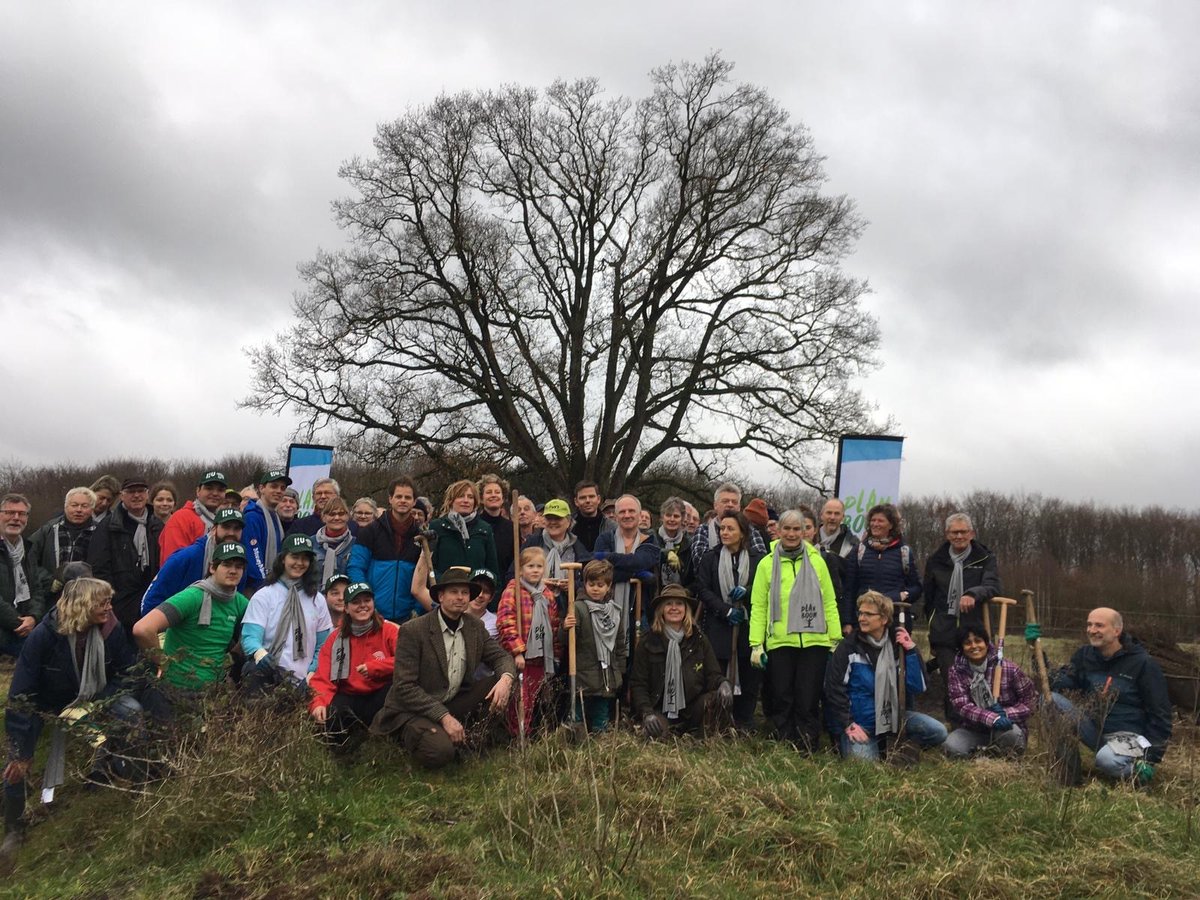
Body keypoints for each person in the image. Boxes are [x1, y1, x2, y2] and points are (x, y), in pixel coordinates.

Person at [3, 578, 141, 858]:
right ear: (82, 606)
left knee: (131, 711)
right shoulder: (44, 636)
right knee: (16, 763)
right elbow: (21, 692)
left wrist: (99, 702)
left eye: (109, 601)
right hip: (46, 701)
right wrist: (20, 749)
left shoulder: (112, 630)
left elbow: (129, 673)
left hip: (94, 696)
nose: (109, 608)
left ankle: (117, 776)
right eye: (102, 602)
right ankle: (13, 826)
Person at [370, 569, 517, 770]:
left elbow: (501, 657)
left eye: (465, 593)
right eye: (454, 592)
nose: (460, 597)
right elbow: (405, 687)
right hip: (415, 709)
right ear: (440, 596)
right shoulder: (413, 630)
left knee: (503, 681)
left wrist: (506, 679)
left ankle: (473, 738)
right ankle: (407, 736)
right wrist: (444, 718)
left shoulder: (474, 626)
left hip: (453, 699)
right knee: (441, 753)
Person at [747, 509, 840, 750]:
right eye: (786, 529)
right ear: (778, 531)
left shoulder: (818, 561)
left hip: (814, 641)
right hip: (780, 641)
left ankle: (807, 743)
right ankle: (784, 742)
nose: (791, 533)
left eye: (796, 529)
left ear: (804, 531)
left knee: (808, 696)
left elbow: (829, 601)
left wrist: (835, 637)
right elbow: (759, 606)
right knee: (782, 695)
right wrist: (756, 644)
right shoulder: (766, 564)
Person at [1050, 607, 1172, 784]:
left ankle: (1137, 771)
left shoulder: (1143, 664)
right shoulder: (1085, 655)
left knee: (1106, 761)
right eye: (1089, 625)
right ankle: (1069, 774)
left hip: (1129, 735)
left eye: (1099, 625)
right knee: (1051, 700)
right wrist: (1036, 653)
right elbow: (1061, 683)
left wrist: (1151, 757)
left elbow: (1160, 714)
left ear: (1117, 630)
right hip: (1095, 729)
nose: (1092, 630)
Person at [825, 590, 946, 762]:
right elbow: (833, 689)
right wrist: (848, 724)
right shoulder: (849, 648)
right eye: (860, 613)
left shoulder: (898, 647)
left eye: (868, 614)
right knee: (866, 769)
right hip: (861, 725)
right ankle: (874, 748)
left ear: (883, 619)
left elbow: (918, 686)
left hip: (895, 719)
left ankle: (897, 746)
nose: (861, 618)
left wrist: (911, 650)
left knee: (938, 731)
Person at [132, 541, 252, 698]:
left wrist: (233, 657)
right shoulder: (192, 597)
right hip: (175, 691)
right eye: (226, 565)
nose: (233, 571)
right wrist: (162, 663)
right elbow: (143, 629)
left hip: (213, 692)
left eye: (239, 566)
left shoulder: (239, 602)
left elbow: (257, 629)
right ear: (212, 568)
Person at [923, 513, 1002, 717]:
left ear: (971, 533)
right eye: (954, 532)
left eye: (963, 532)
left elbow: (993, 586)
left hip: (973, 628)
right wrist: (933, 627)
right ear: (947, 535)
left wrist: (973, 594)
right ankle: (955, 727)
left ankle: (982, 722)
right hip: (944, 629)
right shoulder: (935, 561)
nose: (959, 536)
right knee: (951, 679)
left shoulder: (985, 558)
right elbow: (929, 597)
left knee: (977, 677)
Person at [630, 583, 731, 739]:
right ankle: (667, 731)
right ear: (661, 610)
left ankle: (703, 737)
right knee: (656, 736)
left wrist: (723, 683)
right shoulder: (648, 641)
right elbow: (639, 684)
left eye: (679, 604)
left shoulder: (698, 639)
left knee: (720, 698)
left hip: (692, 708)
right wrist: (647, 713)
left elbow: (713, 674)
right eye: (668, 604)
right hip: (659, 710)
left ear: (686, 609)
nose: (674, 608)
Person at [308, 582, 398, 753]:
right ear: (347, 609)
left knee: (398, 690)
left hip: (381, 694)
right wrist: (318, 703)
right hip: (350, 695)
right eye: (356, 602)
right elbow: (322, 677)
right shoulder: (335, 638)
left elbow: (406, 661)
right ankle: (345, 756)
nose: (363, 605)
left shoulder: (389, 630)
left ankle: (386, 747)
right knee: (331, 714)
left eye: (367, 600)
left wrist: (376, 668)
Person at [695, 511, 765, 732]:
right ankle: (718, 720)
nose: (724, 532)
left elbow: (766, 587)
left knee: (748, 674)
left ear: (742, 533)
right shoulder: (711, 557)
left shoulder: (758, 559)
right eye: (722, 528)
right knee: (718, 673)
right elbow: (703, 589)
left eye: (730, 528)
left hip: (748, 626)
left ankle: (744, 721)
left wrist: (747, 592)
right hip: (719, 626)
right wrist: (724, 610)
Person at [240, 534, 331, 694]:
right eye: (294, 557)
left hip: (305, 679)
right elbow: (250, 637)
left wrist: (312, 672)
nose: (299, 563)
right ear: (283, 559)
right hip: (270, 673)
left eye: (305, 559)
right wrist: (259, 653)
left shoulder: (318, 600)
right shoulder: (264, 595)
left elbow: (323, 645)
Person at [943, 625, 1038, 759]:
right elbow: (962, 706)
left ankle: (1002, 757)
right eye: (967, 643)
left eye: (978, 641)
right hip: (974, 729)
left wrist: (1006, 713)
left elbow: (1031, 702)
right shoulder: (956, 672)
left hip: (1006, 728)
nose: (974, 646)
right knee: (952, 747)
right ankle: (984, 753)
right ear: (961, 648)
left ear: (986, 643)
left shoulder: (1009, 668)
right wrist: (992, 718)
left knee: (1011, 737)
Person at [497, 547, 562, 736]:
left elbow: (554, 625)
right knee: (520, 698)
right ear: (520, 569)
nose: (535, 570)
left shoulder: (547, 594)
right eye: (530, 566)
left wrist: (555, 654)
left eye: (539, 566)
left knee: (533, 697)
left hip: (540, 656)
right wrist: (517, 650)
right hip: (521, 656)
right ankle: (516, 733)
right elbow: (505, 621)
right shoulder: (513, 591)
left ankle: (528, 729)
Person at [87, 478, 163, 632]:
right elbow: (99, 566)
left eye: (141, 491)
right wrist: (111, 599)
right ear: (122, 496)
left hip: (151, 599)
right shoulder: (109, 526)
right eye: (131, 492)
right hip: (119, 603)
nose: (136, 496)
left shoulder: (157, 525)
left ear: (147, 495)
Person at [140, 508, 246, 617]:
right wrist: (161, 631)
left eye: (237, 529)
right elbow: (150, 600)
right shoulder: (186, 557)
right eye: (226, 527)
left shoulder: (239, 565)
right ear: (214, 529)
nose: (231, 533)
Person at [592, 495, 661, 656]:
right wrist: (638, 574)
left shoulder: (649, 540)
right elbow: (601, 573)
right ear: (615, 516)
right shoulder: (605, 539)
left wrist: (609, 557)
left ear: (639, 514)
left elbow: (639, 561)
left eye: (631, 511)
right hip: (606, 608)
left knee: (638, 658)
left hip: (640, 610)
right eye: (622, 512)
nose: (627, 515)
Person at [348, 477, 423, 624]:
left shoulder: (421, 537)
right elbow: (355, 568)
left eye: (408, 497)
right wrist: (366, 603)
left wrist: (418, 609)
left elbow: (423, 578)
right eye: (398, 496)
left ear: (414, 502)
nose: (403, 500)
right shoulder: (370, 531)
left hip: (408, 618)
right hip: (374, 615)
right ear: (390, 499)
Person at [565, 560, 626, 733]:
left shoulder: (614, 611)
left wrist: (619, 671)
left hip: (606, 675)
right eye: (591, 584)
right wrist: (567, 627)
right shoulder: (577, 608)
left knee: (601, 714)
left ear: (609, 586)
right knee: (577, 713)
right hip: (582, 672)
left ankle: (601, 745)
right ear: (585, 584)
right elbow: (568, 641)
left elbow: (620, 644)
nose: (596, 589)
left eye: (600, 585)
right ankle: (575, 745)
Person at [843, 503, 921, 633]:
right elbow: (849, 589)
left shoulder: (904, 552)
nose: (875, 524)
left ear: (891, 525)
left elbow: (917, 587)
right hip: (863, 621)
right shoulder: (859, 551)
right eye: (873, 520)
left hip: (895, 621)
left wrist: (901, 595)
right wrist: (847, 622)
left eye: (880, 520)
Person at [1, 494, 48, 658]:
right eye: (9, 512)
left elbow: (37, 589)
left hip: (23, 628)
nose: (16, 518)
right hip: (11, 627)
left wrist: (33, 618)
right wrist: (18, 622)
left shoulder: (27, 550)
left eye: (21, 514)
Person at [689, 482, 767, 568]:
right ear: (715, 505)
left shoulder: (749, 529)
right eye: (725, 501)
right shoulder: (704, 530)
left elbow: (761, 560)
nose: (730, 505)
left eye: (734, 502)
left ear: (739, 507)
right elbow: (699, 560)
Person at [28, 487, 97, 584]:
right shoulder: (48, 530)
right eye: (74, 505)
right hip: (53, 593)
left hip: (88, 592)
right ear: (66, 507)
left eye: (84, 506)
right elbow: (30, 559)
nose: (79, 510)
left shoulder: (100, 531)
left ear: (92, 509)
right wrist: (48, 580)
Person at [159, 471, 230, 563]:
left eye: (220, 490)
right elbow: (174, 563)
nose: (215, 493)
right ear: (198, 491)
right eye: (209, 488)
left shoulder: (224, 521)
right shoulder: (181, 518)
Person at [241, 469, 291, 592]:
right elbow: (253, 556)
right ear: (262, 488)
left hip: (272, 584)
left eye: (282, 488)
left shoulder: (274, 516)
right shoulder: (252, 517)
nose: (279, 491)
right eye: (273, 486)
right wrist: (264, 586)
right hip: (255, 587)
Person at [476, 474, 515, 582]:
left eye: (497, 492)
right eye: (489, 492)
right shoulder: (474, 525)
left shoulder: (512, 528)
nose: (493, 495)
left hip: (504, 587)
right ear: (481, 499)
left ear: (503, 498)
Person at [313, 496, 355, 585]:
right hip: (315, 596)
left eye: (341, 514)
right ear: (323, 517)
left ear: (347, 516)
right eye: (332, 514)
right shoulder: (311, 543)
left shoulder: (356, 544)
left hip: (346, 596)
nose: (336, 518)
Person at [656, 497, 692, 588]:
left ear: (682, 519)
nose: (672, 519)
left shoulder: (689, 543)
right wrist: (666, 553)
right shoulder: (652, 538)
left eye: (676, 516)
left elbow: (692, 577)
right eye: (668, 515)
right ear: (662, 517)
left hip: (680, 594)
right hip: (655, 593)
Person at [570, 481, 615, 552]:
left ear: (598, 499)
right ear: (576, 501)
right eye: (582, 498)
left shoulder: (612, 527)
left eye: (591, 496)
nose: (587, 501)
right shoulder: (569, 526)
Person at [466, 569, 499, 638]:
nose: (480, 595)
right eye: (476, 590)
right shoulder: (455, 615)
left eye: (486, 591)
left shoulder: (495, 623)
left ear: (491, 597)